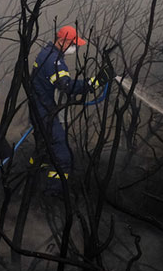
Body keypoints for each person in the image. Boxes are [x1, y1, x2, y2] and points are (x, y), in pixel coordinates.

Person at [28, 25, 107, 195]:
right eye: (73, 44)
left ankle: (30, 187)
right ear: (62, 41)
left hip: (41, 109)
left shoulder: (48, 53)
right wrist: (95, 82)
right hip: (44, 113)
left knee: (43, 153)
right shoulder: (53, 61)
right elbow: (67, 86)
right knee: (63, 157)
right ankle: (52, 196)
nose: (76, 48)